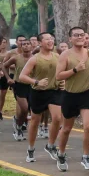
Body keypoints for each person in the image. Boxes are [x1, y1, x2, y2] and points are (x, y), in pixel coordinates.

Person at [53, 26, 89, 171]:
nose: (79, 37)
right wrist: (75, 69)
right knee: (66, 128)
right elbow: (58, 76)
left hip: (86, 94)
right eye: (76, 35)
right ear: (70, 38)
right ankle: (61, 153)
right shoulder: (65, 55)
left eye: (82, 35)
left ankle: (85, 156)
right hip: (70, 95)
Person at [19, 32, 63, 163]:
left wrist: (62, 82)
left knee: (57, 118)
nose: (50, 41)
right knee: (35, 121)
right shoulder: (34, 59)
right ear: (39, 43)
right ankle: (31, 149)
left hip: (54, 92)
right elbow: (22, 76)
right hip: (38, 93)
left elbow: (60, 73)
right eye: (47, 39)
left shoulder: (57, 56)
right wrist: (36, 82)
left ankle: (50, 145)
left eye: (51, 38)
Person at [3, 38, 34, 140]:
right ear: (20, 46)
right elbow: (4, 66)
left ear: (31, 46)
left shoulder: (35, 58)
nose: (25, 45)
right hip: (19, 85)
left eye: (27, 44)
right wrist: (8, 78)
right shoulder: (16, 58)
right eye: (23, 44)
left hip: (32, 85)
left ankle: (19, 123)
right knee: (24, 109)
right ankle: (19, 127)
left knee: (32, 110)